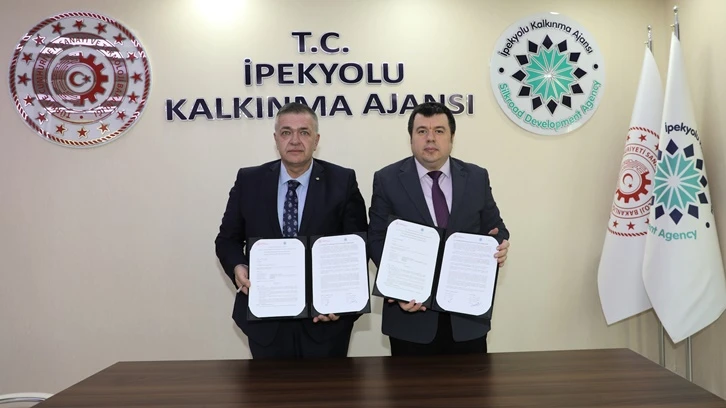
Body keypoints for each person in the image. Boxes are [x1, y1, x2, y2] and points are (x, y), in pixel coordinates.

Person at [215, 102, 368, 359]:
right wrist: (237, 266)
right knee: (270, 387)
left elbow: (357, 246)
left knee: (329, 387)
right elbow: (227, 239)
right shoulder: (249, 181)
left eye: (304, 132)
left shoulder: (342, 181)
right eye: (286, 132)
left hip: (325, 322)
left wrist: (340, 302)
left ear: (316, 140)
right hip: (266, 321)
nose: (295, 140)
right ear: (276, 139)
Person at [368, 101, 510, 356]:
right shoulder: (387, 179)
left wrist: (500, 245)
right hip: (410, 316)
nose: (430, 138)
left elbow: (496, 229)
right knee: (409, 384)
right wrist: (397, 288)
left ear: (452, 137)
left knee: (472, 383)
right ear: (411, 138)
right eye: (422, 131)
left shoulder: (476, 177)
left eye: (439, 131)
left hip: (466, 318)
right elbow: (377, 239)